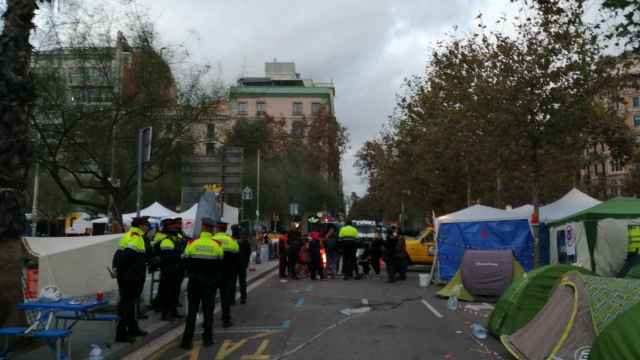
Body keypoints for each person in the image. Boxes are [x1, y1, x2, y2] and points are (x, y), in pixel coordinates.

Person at [180, 218, 223, 349]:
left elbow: (185, 261)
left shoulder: (192, 242)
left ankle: (187, 341)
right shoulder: (217, 244)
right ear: (212, 229)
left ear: (203, 228)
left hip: (194, 283)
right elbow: (220, 264)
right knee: (208, 311)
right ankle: (207, 339)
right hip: (209, 284)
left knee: (192, 312)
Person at [114, 216, 150, 343]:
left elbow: (118, 254)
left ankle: (133, 329)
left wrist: (116, 269)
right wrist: (122, 271)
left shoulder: (129, 235)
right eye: (146, 224)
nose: (148, 227)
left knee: (129, 304)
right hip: (131, 277)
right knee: (127, 305)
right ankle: (121, 334)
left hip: (128, 276)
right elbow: (126, 256)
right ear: (141, 225)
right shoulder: (136, 237)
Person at [213, 221, 238, 328]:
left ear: (217, 229)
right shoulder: (231, 241)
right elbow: (236, 256)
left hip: (213, 273)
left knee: (210, 298)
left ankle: (208, 321)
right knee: (225, 298)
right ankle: (225, 319)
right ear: (225, 229)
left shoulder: (212, 240)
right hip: (227, 273)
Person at [158, 220, 184, 321]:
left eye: (176, 228)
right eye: (174, 228)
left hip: (177, 270)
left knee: (175, 292)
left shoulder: (177, 239)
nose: (176, 230)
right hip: (169, 271)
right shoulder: (166, 241)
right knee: (167, 292)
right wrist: (180, 256)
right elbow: (167, 257)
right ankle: (165, 314)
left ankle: (173, 311)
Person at [233, 225, 251, 305]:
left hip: (233, 264)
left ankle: (232, 299)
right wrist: (247, 262)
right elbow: (248, 252)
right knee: (242, 281)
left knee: (232, 282)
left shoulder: (231, 240)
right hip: (242, 264)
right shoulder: (244, 240)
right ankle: (243, 298)